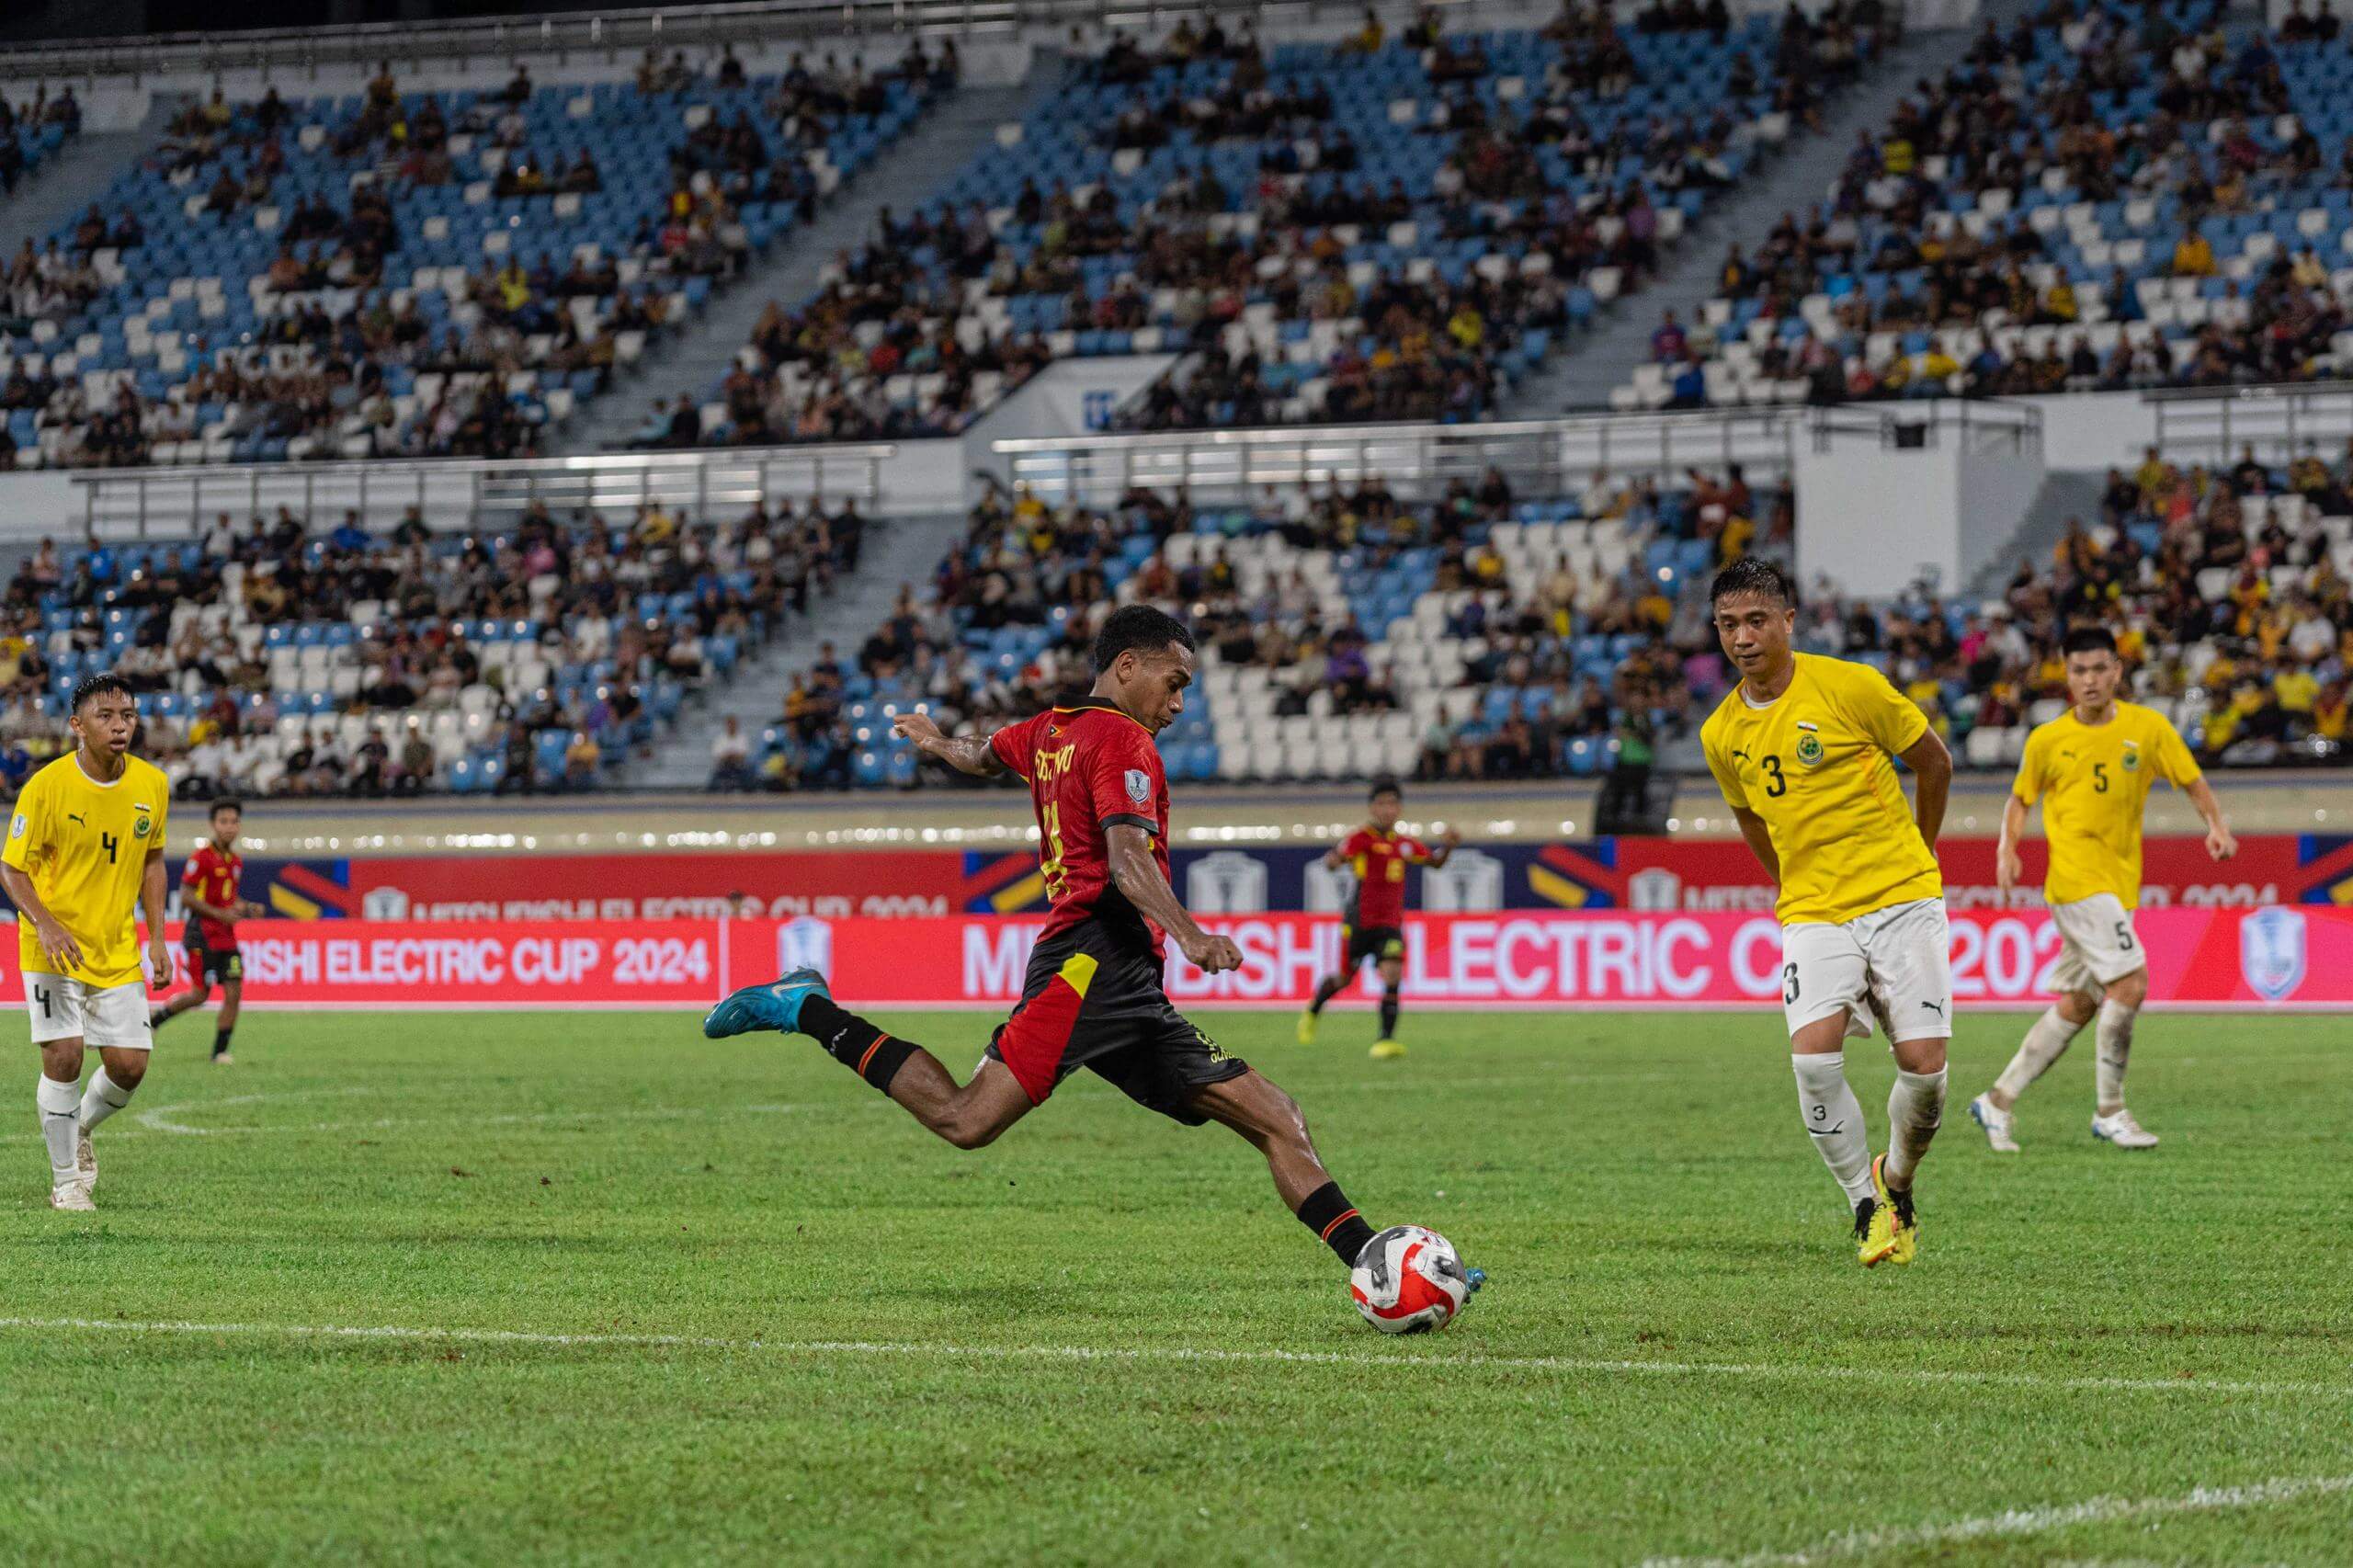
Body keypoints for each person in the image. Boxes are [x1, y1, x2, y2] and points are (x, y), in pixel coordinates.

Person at [703, 606, 1448, 1288]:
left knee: (1277, 1116)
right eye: (1174, 682)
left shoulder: (1048, 730)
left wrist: (933, 741)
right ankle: (808, 1008)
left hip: (1127, 980)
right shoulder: (1124, 740)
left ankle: (1376, 1265)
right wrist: (1191, 935)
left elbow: (979, 753)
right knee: (967, 1119)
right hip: (1089, 965)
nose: (1179, 703)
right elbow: (1127, 861)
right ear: (1127, 665)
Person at [1699, 559, 1954, 1267]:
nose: (1743, 638)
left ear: (1788, 620)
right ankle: (1865, 1206)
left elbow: (1934, 763)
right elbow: (1751, 819)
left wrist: (1921, 852)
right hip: (1815, 910)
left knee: (1925, 1075)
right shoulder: (1721, 733)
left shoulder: (1851, 686)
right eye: (1728, 625)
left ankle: (1896, 1179)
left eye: (1756, 621)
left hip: (1901, 897)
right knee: (1813, 1062)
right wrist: (1794, 885)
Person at [1969, 626, 2236, 1153]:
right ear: (2066, 676)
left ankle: (1997, 1099)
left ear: (2117, 670)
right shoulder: (2047, 740)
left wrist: (2217, 826)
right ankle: (2110, 1111)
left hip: (2117, 885)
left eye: (2098, 669)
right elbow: (2020, 799)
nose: (2089, 680)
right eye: (2079, 671)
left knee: (2080, 1003)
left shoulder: (2147, 727)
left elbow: (2192, 780)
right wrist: (2006, 848)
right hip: (2076, 881)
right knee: (2131, 984)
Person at [0, 674, 173, 1211]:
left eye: (128, 715)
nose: (120, 726)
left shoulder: (152, 785)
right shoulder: (47, 787)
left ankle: (78, 1128)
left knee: (130, 1066)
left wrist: (158, 937)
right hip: (51, 946)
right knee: (65, 1056)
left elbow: (152, 862)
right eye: (106, 716)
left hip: (115, 946)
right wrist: (46, 924)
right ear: (77, 725)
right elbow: (12, 869)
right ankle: (67, 1183)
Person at [1297, 778, 1459, 1059]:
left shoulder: (1406, 845)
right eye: (1382, 804)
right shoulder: (1361, 839)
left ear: (1399, 809)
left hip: (1390, 924)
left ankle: (1385, 1040)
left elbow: (1435, 863)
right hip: (1360, 922)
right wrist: (1333, 861)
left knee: (1393, 973)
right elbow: (1336, 859)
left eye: (1392, 804)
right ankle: (1313, 1010)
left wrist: (1448, 848)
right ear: (1373, 808)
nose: (1387, 810)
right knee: (1344, 979)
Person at [150, 798, 266, 1064]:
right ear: (213, 824)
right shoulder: (201, 858)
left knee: (234, 992)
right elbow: (187, 896)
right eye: (224, 821)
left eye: (234, 821)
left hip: (226, 937)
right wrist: (221, 914)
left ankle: (219, 1052)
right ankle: (155, 1020)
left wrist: (248, 907)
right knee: (199, 994)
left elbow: (228, 899)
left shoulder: (235, 861)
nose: (229, 827)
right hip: (200, 935)